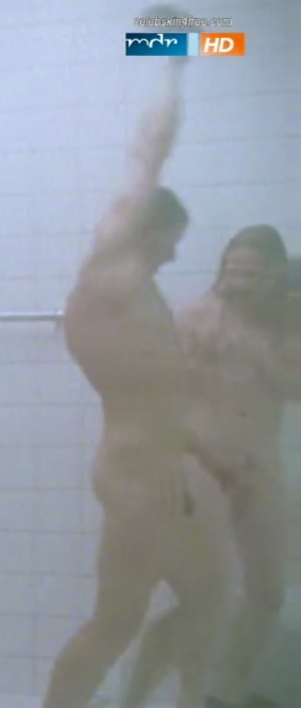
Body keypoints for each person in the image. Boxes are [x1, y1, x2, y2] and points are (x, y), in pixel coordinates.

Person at [41, 58, 235, 708]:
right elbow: (148, 149)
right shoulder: (112, 265)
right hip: (135, 472)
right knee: (116, 621)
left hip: (159, 468)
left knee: (209, 593)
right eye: (169, 241)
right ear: (142, 227)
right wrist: (174, 58)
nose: (174, 254)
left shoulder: (141, 288)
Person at [172, 226, 296, 708]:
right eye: (231, 271)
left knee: (268, 592)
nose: (238, 283)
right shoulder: (195, 317)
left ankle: (225, 694)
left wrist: (255, 349)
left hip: (260, 467)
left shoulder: (289, 321)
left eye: (251, 274)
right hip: (203, 465)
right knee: (205, 592)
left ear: (275, 275)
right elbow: (163, 399)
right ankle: (190, 695)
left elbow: (294, 388)